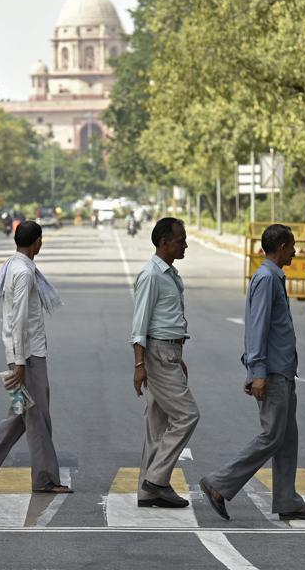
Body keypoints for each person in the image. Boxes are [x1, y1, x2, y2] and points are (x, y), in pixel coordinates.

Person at [200, 224, 305, 522]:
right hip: (272, 372)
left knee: (287, 437)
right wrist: (257, 371)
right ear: (281, 247)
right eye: (293, 245)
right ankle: (219, 483)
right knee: (272, 435)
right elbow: (257, 327)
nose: (296, 251)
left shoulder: (270, 277)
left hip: (281, 369)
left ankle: (288, 500)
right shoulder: (267, 279)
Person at [0, 221, 71, 494]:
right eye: (41, 240)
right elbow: (18, 320)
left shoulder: (15, 266)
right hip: (28, 357)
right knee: (38, 417)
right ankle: (45, 479)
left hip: (26, 354)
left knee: (22, 414)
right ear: (36, 242)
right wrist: (20, 362)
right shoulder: (23, 273)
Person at [131, 218, 199, 508]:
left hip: (168, 352)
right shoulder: (151, 275)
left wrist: (178, 356)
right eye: (180, 239)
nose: (184, 244)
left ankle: (148, 492)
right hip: (158, 354)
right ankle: (157, 480)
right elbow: (139, 324)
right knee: (188, 415)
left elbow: (167, 320)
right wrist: (139, 365)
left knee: (156, 425)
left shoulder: (169, 273)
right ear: (164, 242)